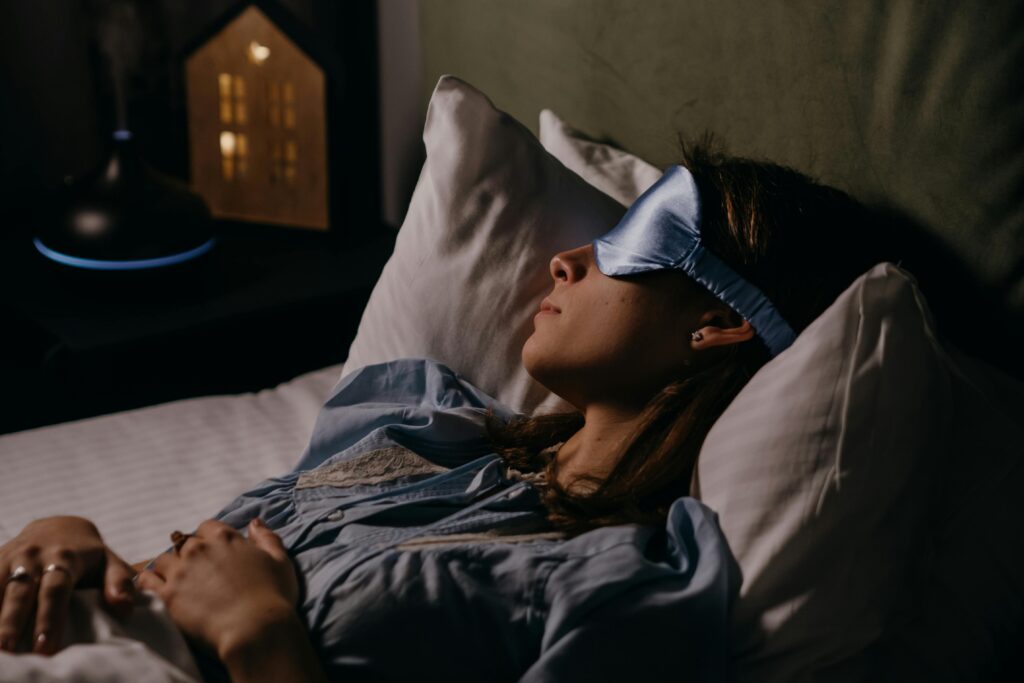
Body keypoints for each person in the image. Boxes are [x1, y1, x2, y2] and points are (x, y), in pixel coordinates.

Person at [0, 142, 881, 682]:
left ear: (721, 320)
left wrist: (261, 639)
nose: (568, 260)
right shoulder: (416, 420)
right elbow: (192, 574)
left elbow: (235, 609)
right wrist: (77, 547)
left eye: (630, 245)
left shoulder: (624, 586)